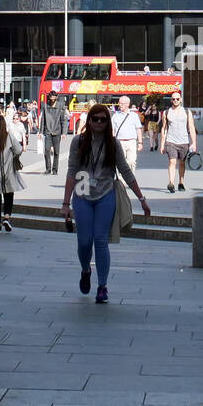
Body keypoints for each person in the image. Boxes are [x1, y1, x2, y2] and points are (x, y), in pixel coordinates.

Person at [63, 105, 151, 303]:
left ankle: (102, 286)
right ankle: (86, 270)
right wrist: (65, 203)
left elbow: (126, 171)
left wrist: (142, 199)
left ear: (108, 122)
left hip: (105, 194)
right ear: (89, 121)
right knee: (84, 241)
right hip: (82, 192)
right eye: (95, 119)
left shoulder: (113, 143)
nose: (99, 123)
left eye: (103, 119)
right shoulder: (78, 142)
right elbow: (71, 171)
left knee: (101, 240)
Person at [0, 112, 25, 232]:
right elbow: (18, 150)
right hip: (8, 172)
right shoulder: (8, 137)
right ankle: (7, 217)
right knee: (9, 194)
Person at [159, 88, 197, 192]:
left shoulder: (187, 111)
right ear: (171, 100)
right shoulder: (167, 112)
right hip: (171, 141)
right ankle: (171, 183)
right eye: (173, 99)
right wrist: (162, 144)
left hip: (184, 141)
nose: (175, 100)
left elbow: (192, 127)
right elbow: (164, 128)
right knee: (172, 161)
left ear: (181, 100)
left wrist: (194, 143)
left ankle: (181, 182)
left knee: (182, 163)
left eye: (177, 99)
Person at [110, 95, 144, 175]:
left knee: (131, 161)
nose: (120, 105)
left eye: (122, 103)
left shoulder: (134, 116)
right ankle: (122, 182)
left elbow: (138, 129)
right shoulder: (115, 115)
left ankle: (130, 178)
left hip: (131, 141)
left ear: (127, 104)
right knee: (120, 162)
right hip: (119, 142)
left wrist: (140, 142)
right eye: (119, 103)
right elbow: (112, 130)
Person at [39, 90, 68, 173]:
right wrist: (40, 132)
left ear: (56, 98)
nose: (52, 100)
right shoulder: (45, 106)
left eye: (54, 98)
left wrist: (64, 132)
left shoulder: (60, 106)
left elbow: (63, 120)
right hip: (48, 131)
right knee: (46, 150)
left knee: (56, 152)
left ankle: (55, 170)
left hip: (57, 131)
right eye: (51, 98)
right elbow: (43, 120)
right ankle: (48, 169)